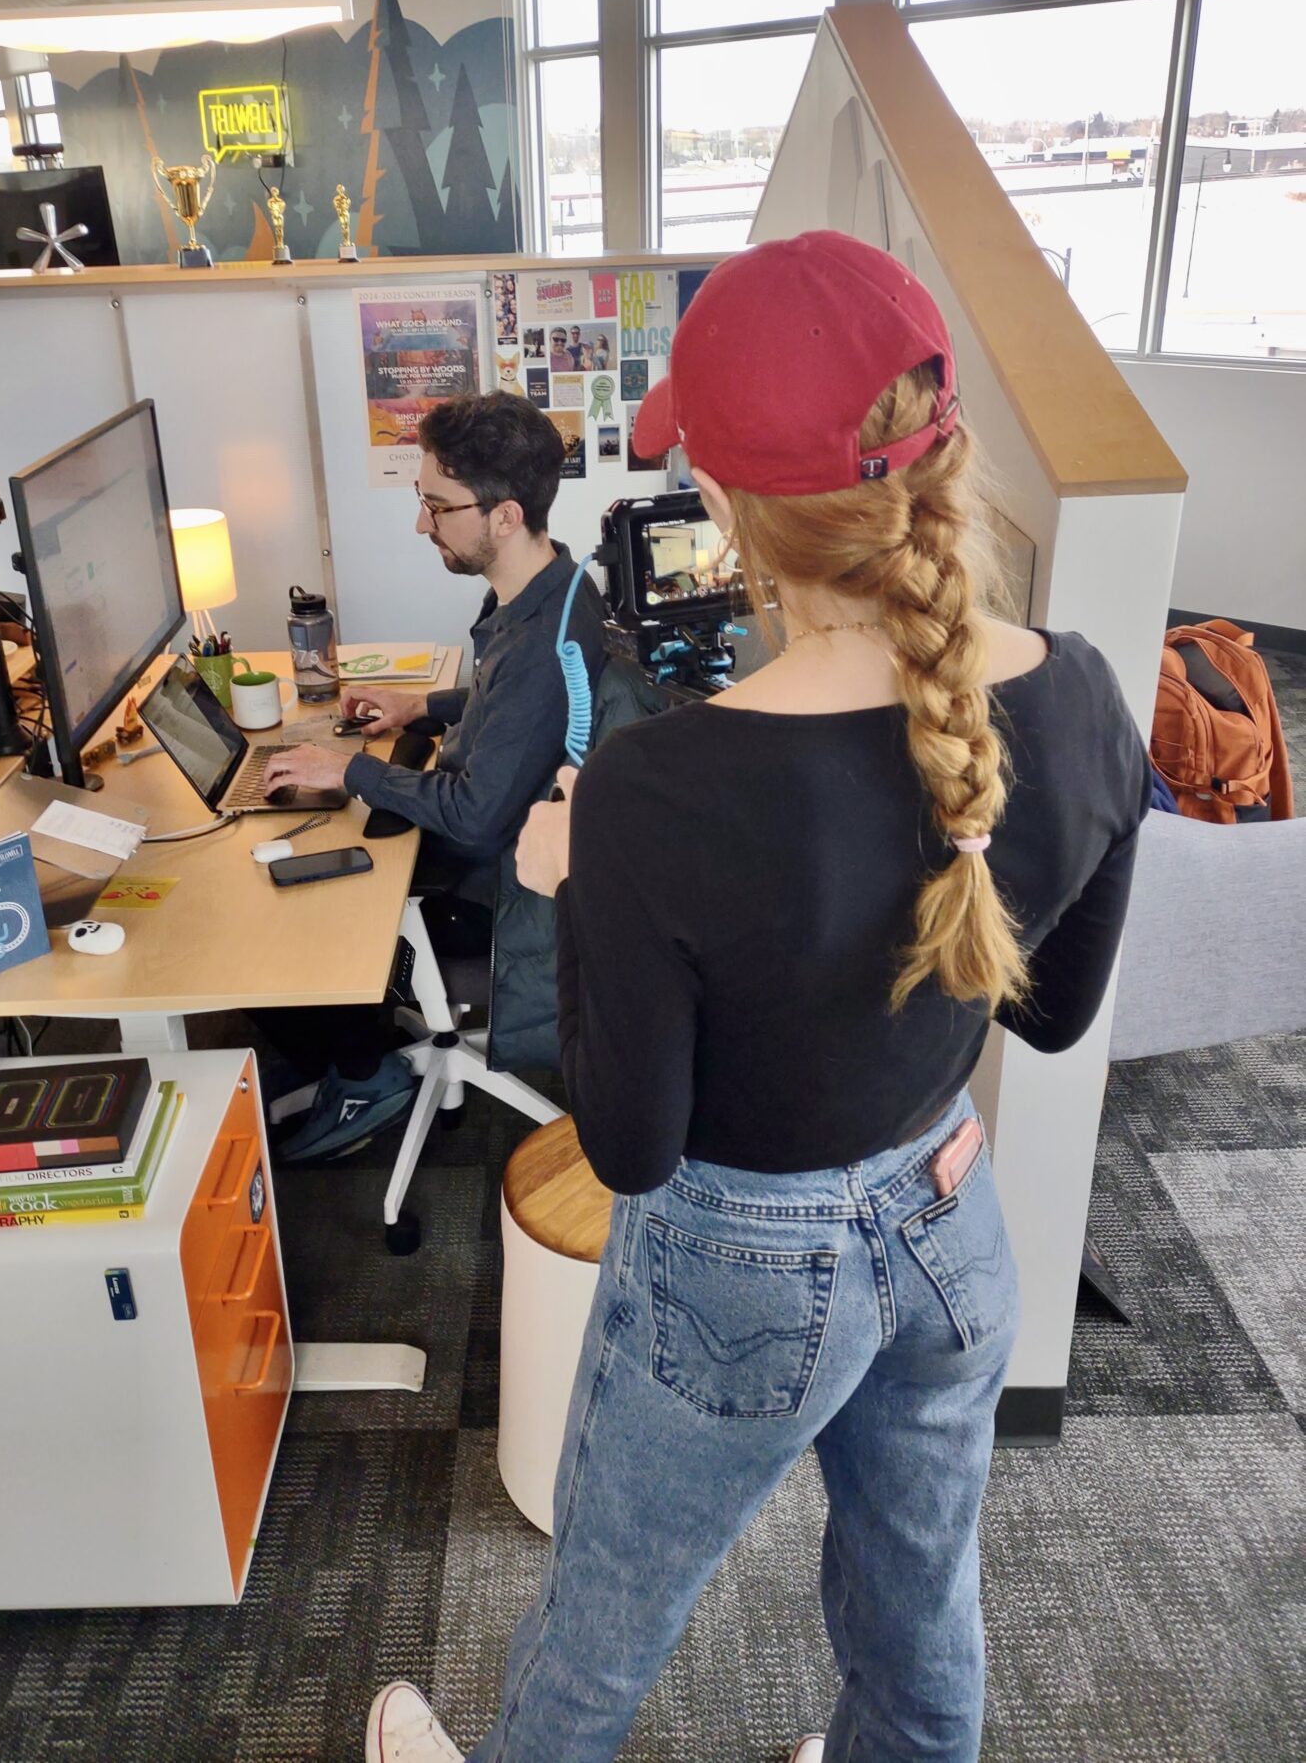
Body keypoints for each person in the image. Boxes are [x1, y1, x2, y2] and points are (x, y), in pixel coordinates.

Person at [366, 231, 1152, 1761]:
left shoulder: (662, 785)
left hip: (740, 1263)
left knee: (604, 1617)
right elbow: (1048, 1018)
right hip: (948, 1222)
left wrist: (565, 886)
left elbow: (637, 1148)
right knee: (922, 1610)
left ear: (723, 510)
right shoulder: (1084, 690)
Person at [258, 390, 605, 1155]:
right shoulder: (548, 588)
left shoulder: (543, 648)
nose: (423, 523)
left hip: (488, 887)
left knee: (285, 908)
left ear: (504, 516)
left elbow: (478, 812)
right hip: (494, 836)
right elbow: (506, 707)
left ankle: (362, 1075)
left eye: (438, 506)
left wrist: (351, 769)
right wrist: (422, 706)